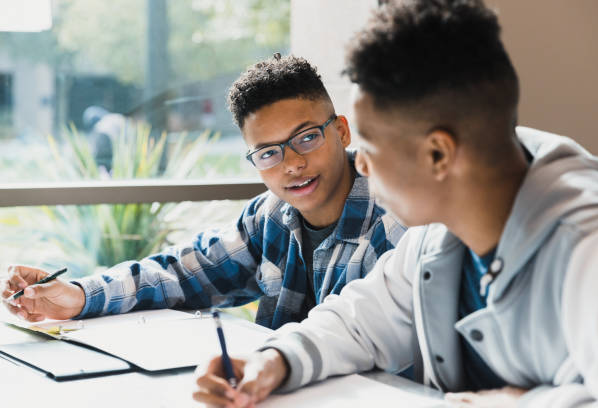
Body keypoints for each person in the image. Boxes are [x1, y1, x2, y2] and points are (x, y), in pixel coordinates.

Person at [191, 1, 598, 407]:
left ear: (438, 156)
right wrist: (272, 361)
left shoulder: (595, 250)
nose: (362, 165)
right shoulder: (440, 231)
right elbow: (358, 321)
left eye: (371, 148)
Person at [1, 56, 405, 332]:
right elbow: (179, 274)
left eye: (306, 138)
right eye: (268, 153)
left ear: (341, 132)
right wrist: (78, 295)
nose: (291, 164)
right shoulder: (270, 217)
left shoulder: (394, 226)